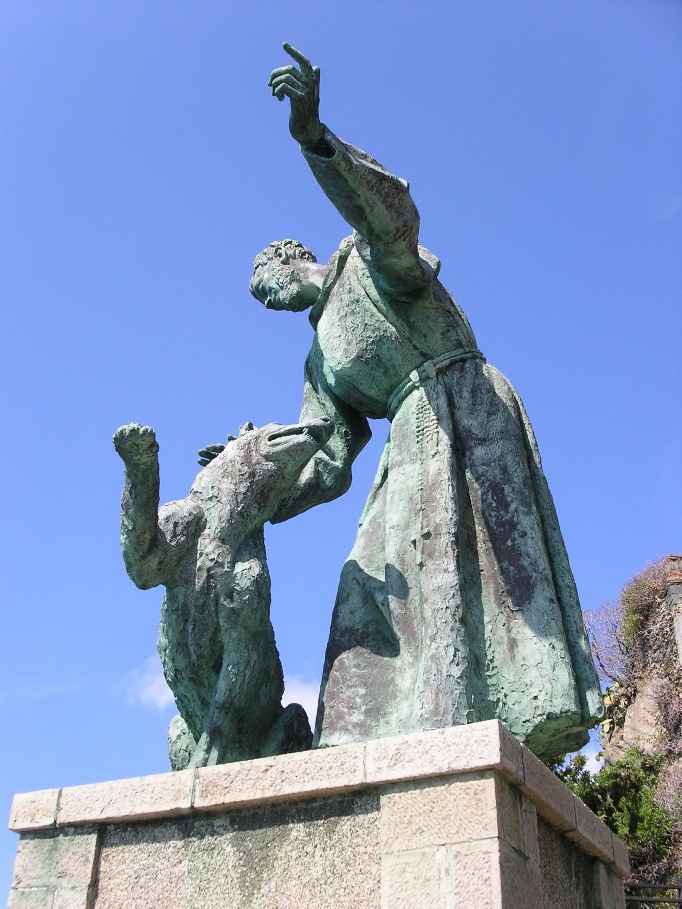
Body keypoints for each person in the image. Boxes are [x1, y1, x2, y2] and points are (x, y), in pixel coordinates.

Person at [242, 45, 602, 761]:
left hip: (463, 408)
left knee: (480, 586)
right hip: (409, 442)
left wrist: (315, 137)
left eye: (271, 280)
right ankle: (365, 745)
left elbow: (393, 220)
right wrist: (257, 488)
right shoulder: (320, 358)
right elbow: (330, 455)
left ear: (293, 260)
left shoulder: (363, 261)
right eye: (266, 298)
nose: (274, 298)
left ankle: (489, 729)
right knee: (363, 586)